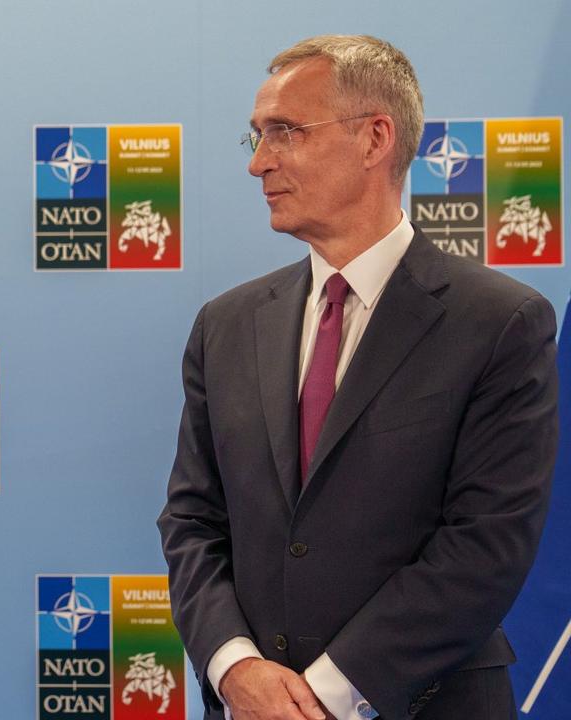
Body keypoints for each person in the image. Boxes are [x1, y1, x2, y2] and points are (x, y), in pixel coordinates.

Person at [157, 35, 556, 720]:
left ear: (375, 139)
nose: (258, 163)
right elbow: (193, 520)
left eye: (283, 132)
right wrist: (235, 668)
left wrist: (325, 695)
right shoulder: (224, 325)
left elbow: (486, 544)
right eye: (255, 136)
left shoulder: (501, 322)